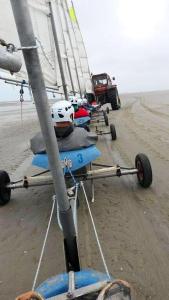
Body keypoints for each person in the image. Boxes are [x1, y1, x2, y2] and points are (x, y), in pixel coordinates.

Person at [30, 100, 97, 154]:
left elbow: (34, 148)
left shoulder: (38, 139)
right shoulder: (82, 134)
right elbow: (94, 139)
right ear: (71, 115)